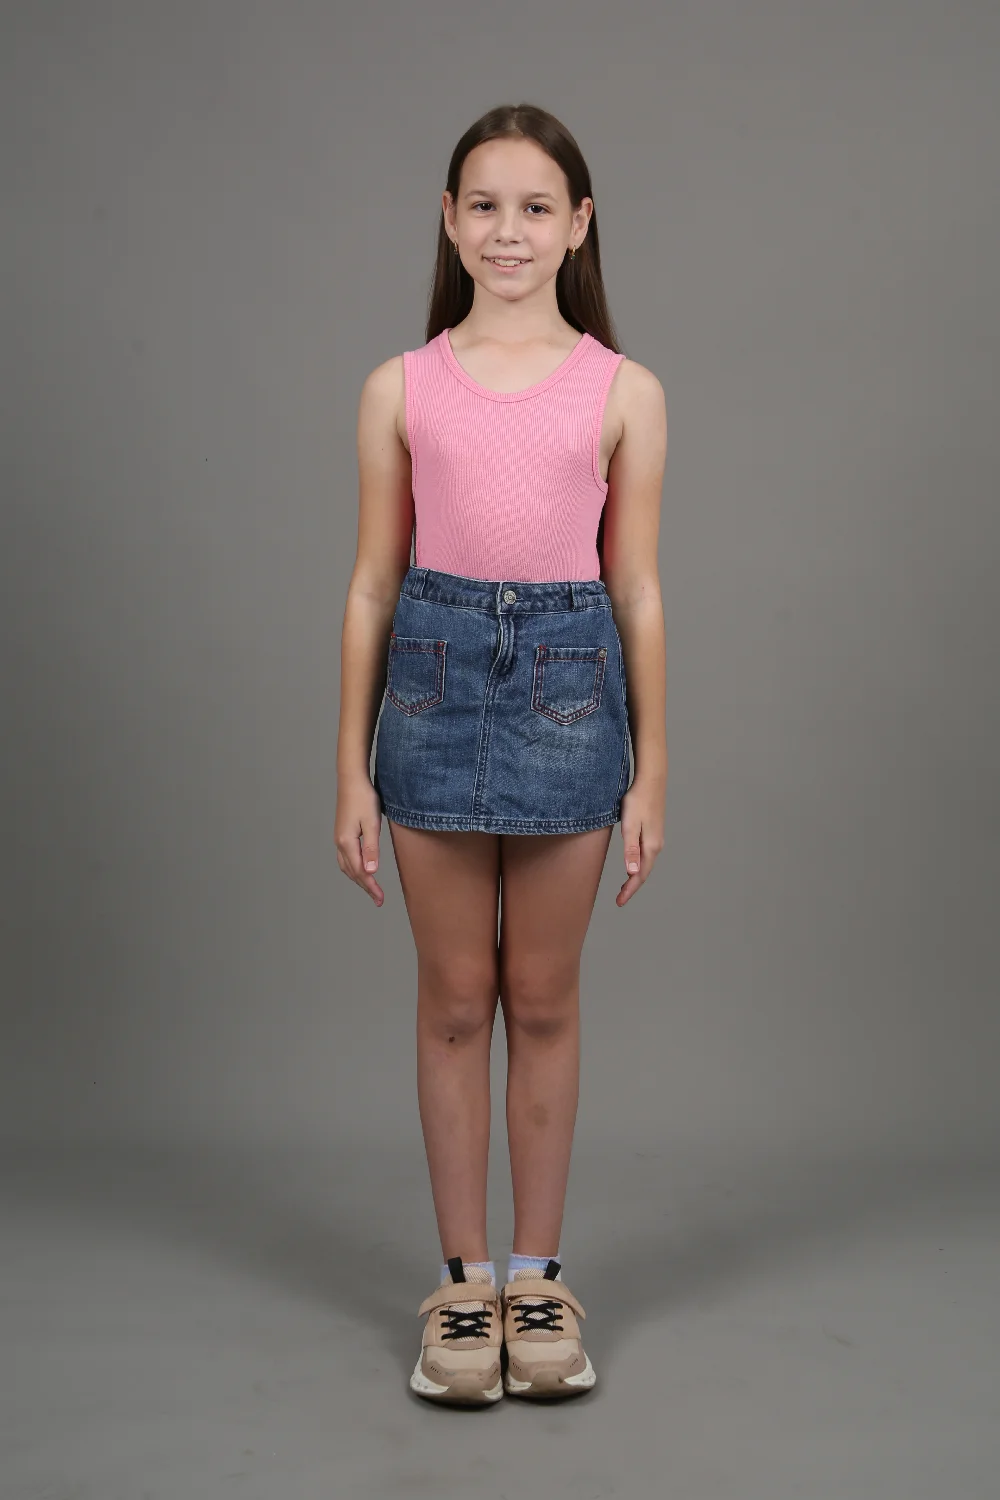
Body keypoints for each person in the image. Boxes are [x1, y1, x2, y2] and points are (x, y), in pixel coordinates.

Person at [334, 102, 667, 1406]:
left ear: (579, 225)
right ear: (449, 220)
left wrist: (653, 769)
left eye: (536, 207)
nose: (508, 230)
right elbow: (373, 583)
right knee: (454, 998)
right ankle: (463, 1288)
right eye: (484, 205)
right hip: (429, 688)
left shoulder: (624, 391)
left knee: (542, 997)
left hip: (572, 693)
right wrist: (348, 766)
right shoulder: (401, 387)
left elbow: (637, 589)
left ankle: (539, 1278)